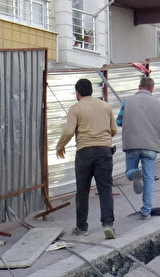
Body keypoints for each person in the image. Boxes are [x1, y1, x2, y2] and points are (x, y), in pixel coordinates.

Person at [55, 78, 117, 239]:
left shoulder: (75, 108)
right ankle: (108, 225)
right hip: (104, 151)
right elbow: (114, 130)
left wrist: (60, 146)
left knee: (82, 191)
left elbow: (69, 132)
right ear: (91, 90)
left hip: (84, 152)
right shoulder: (105, 106)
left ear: (77, 93)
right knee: (105, 189)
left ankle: (81, 227)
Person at [117, 75, 160, 220]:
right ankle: (146, 210)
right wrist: (156, 134)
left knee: (129, 171)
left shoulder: (126, 101)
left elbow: (119, 121)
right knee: (149, 178)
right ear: (151, 88)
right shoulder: (158, 103)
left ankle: (134, 173)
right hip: (151, 146)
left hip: (131, 144)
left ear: (139, 86)